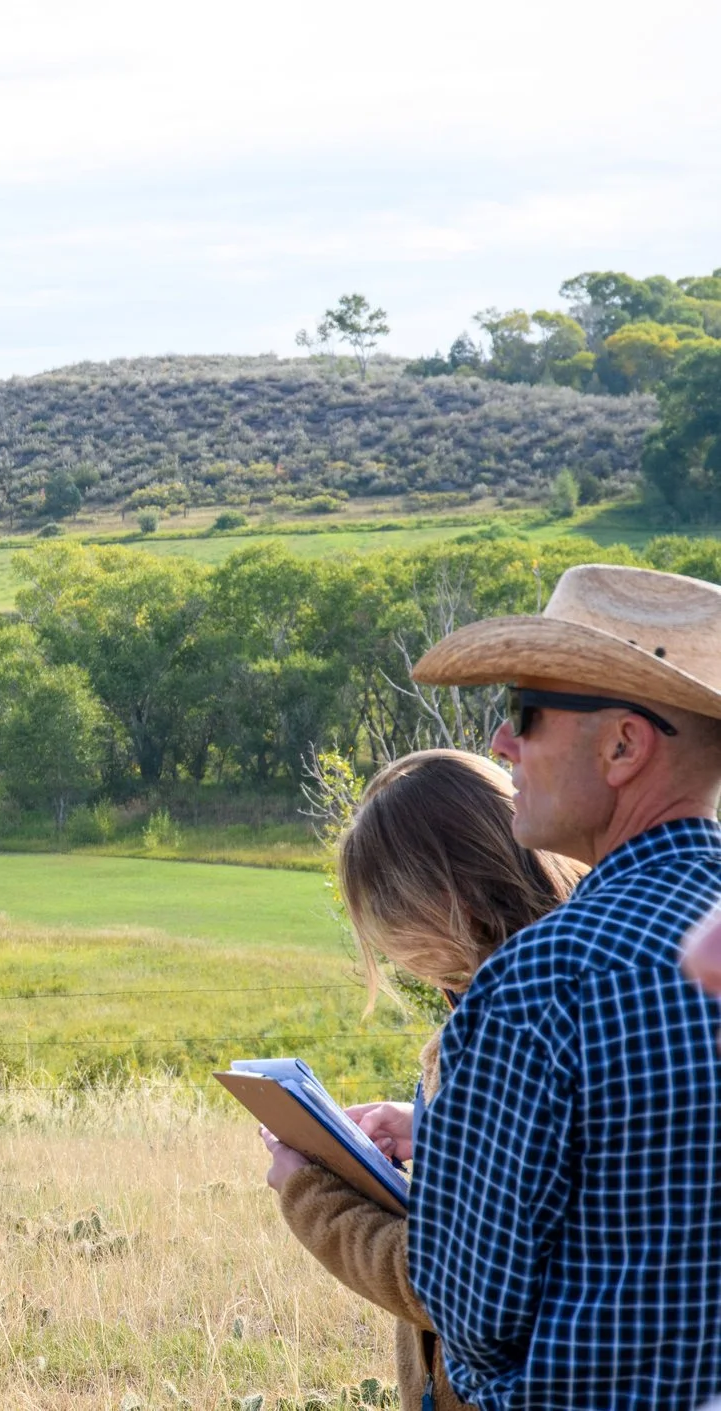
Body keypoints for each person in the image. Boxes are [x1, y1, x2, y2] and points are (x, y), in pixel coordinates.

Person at [404, 563, 721, 1409]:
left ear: (624, 746)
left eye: (525, 712)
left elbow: (470, 1311)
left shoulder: (546, 980)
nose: (501, 743)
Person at [259, 749, 581, 1411]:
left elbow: (449, 1286)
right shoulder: (580, 978)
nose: (398, 960)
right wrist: (431, 1127)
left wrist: (308, 1193)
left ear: (439, 907)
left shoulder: (504, 1029)